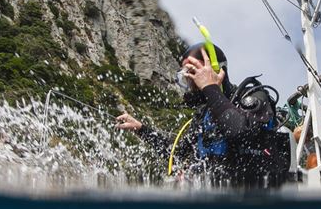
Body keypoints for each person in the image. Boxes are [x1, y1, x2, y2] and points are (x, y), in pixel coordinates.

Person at [116, 42, 291, 187]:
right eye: (185, 79)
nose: (190, 84)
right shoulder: (205, 116)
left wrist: (210, 87)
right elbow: (176, 153)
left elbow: (239, 130)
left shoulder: (253, 96)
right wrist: (141, 129)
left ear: (215, 71)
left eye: (193, 75)